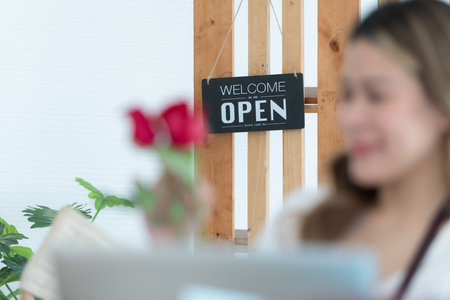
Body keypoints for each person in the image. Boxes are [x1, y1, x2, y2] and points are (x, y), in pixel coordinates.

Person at [259, 1, 450, 299]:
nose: (349, 117)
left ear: (442, 105)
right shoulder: (300, 220)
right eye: (349, 95)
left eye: (377, 96)